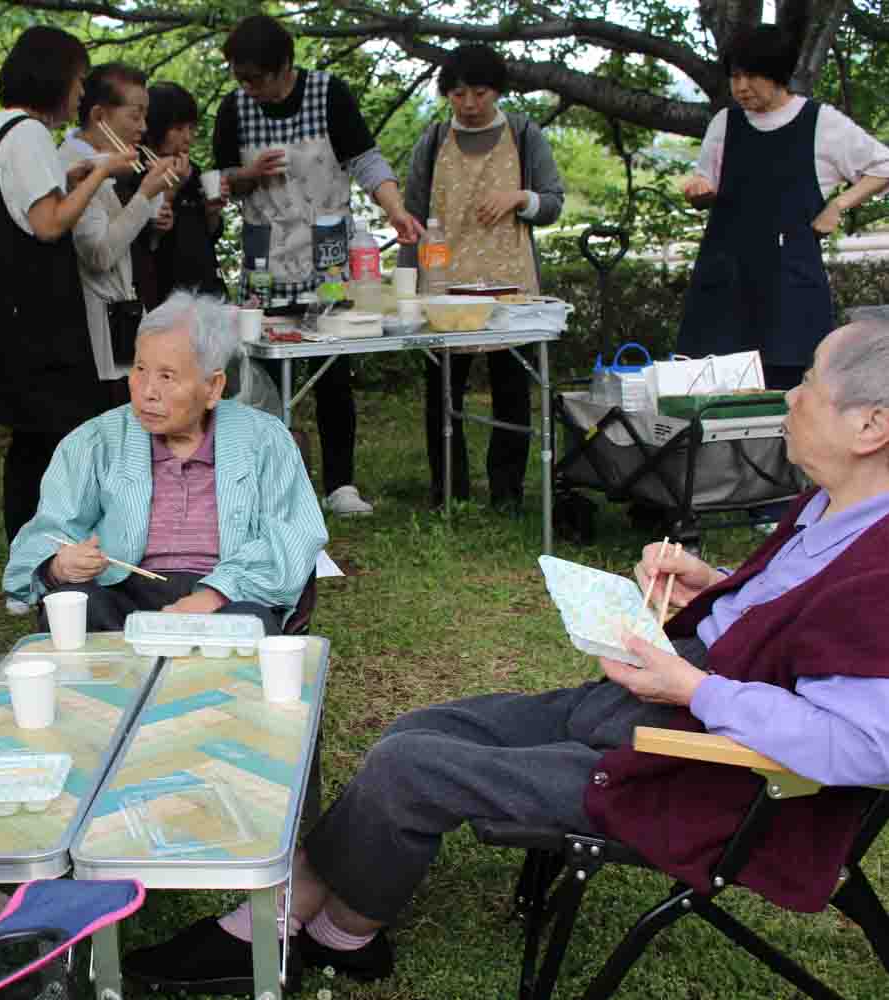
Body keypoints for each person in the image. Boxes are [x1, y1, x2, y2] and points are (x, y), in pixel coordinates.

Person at [125, 320, 889, 996]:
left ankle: (292, 930)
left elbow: (862, 745)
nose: (790, 396)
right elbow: (791, 631)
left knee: (411, 767)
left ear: (871, 427)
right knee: (421, 728)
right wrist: (714, 589)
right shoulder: (831, 505)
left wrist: (693, 683)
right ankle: (335, 931)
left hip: (695, 771)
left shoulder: (881, 568)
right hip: (653, 708)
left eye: (811, 384)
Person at [5, 291, 326, 634]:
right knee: (79, 609)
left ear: (213, 387)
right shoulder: (94, 442)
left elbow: (293, 536)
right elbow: (48, 531)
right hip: (121, 595)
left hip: (227, 593)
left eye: (167, 376)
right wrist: (58, 566)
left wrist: (214, 594)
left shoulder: (265, 440)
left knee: (249, 624)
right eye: (140, 369)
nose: (147, 391)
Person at [214, 14, 423, 518]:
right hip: (265, 256)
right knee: (261, 375)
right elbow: (215, 183)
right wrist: (244, 174)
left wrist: (395, 210)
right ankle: (263, 489)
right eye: (241, 78)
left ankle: (340, 484)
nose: (249, 88)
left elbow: (366, 160)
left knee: (332, 369)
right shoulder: (234, 109)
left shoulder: (329, 94)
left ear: (284, 65)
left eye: (257, 78)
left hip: (329, 255)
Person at [0, 27, 144, 552]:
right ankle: (43, 559)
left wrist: (80, 171)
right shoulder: (29, 134)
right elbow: (48, 221)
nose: (82, 93)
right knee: (52, 448)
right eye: (80, 80)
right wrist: (103, 169)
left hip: (10, 316)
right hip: (36, 324)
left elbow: (32, 201)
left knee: (32, 447)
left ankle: (35, 555)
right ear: (54, 77)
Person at [398, 44, 566, 510]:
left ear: (497, 91)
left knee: (511, 389)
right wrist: (405, 286)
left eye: (479, 92)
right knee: (442, 392)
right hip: (444, 284)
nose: (469, 104)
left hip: (510, 283)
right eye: (457, 94)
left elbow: (553, 202)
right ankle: (448, 489)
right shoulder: (433, 141)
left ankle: (507, 491)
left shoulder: (523, 133)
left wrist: (518, 198)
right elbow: (411, 218)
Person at [676, 22, 889, 390]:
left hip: (789, 290)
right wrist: (700, 191)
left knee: (793, 394)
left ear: (778, 75)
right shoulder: (725, 124)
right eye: (735, 76)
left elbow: (882, 166)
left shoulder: (821, 123)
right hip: (724, 284)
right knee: (714, 396)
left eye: (752, 76)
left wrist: (839, 205)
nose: (741, 87)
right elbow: (706, 182)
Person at [57, 63, 184, 396]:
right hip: (94, 340)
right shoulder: (76, 167)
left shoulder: (109, 164)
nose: (143, 127)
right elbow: (98, 254)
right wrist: (144, 196)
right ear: (99, 115)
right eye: (135, 115)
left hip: (120, 331)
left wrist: (154, 219)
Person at [122, 81, 229, 308]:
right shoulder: (136, 170)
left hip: (206, 290)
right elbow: (145, 239)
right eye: (179, 129)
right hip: (163, 295)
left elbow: (209, 235)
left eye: (191, 128)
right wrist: (171, 190)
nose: (188, 137)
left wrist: (212, 212)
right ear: (155, 126)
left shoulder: (194, 171)